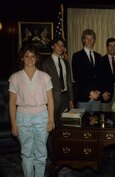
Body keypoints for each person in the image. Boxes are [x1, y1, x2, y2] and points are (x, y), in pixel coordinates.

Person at [8, 44, 55, 177]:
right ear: (22, 58)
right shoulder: (15, 77)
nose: (29, 58)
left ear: (36, 58)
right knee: (26, 152)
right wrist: (13, 124)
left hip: (42, 117)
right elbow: (12, 102)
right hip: (22, 118)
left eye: (32, 56)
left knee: (41, 153)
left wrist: (51, 119)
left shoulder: (45, 77)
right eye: (26, 56)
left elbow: (50, 99)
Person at [41, 37, 74, 122]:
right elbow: (43, 84)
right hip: (52, 99)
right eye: (58, 45)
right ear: (52, 46)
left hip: (66, 99)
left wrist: (71, 99)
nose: (60, 47)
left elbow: (69, 82)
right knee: (53, 125)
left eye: (62, 45)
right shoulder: (46, 63)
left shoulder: (66, 63)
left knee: (65, 125)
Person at [72, 29, 104, 112]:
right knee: (83, 123)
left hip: (97, 97)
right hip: (83, 96)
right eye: (87, 38)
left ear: (94, 40)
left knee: (96, 123)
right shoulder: (77, 56)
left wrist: (98, 91)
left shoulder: (99, 56)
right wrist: (90, 92)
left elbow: (101, 76)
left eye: (92, 38)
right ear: (83, 40)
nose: (89, 40)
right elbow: (77, 77)